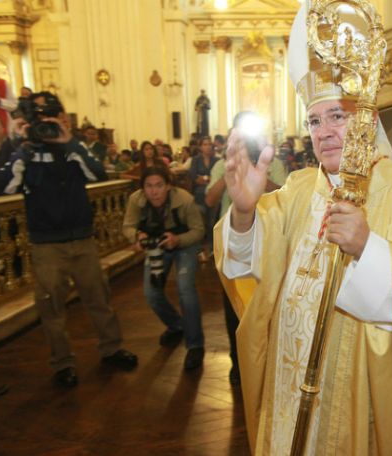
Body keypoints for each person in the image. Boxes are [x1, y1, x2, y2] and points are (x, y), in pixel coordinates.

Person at [214, 4, 392, 456]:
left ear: (368, 119)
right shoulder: (296, 192)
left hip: (360, 400)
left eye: (338, 114)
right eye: (315, 122)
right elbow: (246, 272)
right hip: (288, 387)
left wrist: (369, 249)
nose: (326, 132)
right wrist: (245, 211)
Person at [0, 91, 138, 388]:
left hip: (83, 239)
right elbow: (5, 187)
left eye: (52, 117)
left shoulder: (72, 149)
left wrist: (70, 142)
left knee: (99, 298)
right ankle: (63, 363)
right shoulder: (25, 151)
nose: (46, 124)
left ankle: (111, 348)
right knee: (51, 308)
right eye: (41, 119)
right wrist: (22, 147)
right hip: (47, 245)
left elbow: (98, 174)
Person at [205, 111, 286, 385]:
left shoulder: (272, 163)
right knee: (234, 307)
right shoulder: (221, 165)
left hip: (268, 245)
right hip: (233, 246)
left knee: (266, 308)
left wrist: (257, 174)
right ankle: (237, 364)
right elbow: (210, 199)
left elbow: (284, 197)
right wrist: (232, 172)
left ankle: (267, 364)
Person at [122, 164, 207, 369]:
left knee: (185, 289)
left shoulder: (185, 199)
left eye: (159, 185)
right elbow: (128, 226)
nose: (154, 191)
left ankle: (195, 345)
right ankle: (176, 325)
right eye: (149, 186)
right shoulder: (136, 201)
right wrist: (137, 236)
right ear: (143, 188)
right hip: (156, 245)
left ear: (168, 186)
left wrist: (177, 240)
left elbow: (198, 231)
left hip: (184, 243)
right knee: (151, 292)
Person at [188, 136, 219, 261]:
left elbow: (216, 177)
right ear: (200, 147)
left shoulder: (216, 160)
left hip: (213, 194)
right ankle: (200, 250)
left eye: (209, 144)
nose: (207, 146)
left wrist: (206, 179)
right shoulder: (196, 160)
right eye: (204, 144)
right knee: (200, 222)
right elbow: (193, 176)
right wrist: (207, 179)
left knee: (212, 222)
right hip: (199, 194)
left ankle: (213, 249)